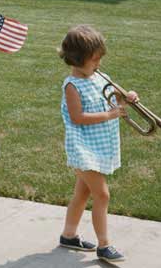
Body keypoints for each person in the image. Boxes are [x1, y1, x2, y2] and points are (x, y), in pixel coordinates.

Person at [58, 25, 138, 263]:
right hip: (83, 148)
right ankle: (104, 245)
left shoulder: (100, 77)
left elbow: (116, 98)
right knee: (102, 195)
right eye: (94, 60)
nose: (99, 64)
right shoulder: (72, 86)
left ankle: (68, 235)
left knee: (82, 194)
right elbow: (78, 117)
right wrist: (111, 115)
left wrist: (128, 97)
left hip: (100, 146)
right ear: (78, 59)